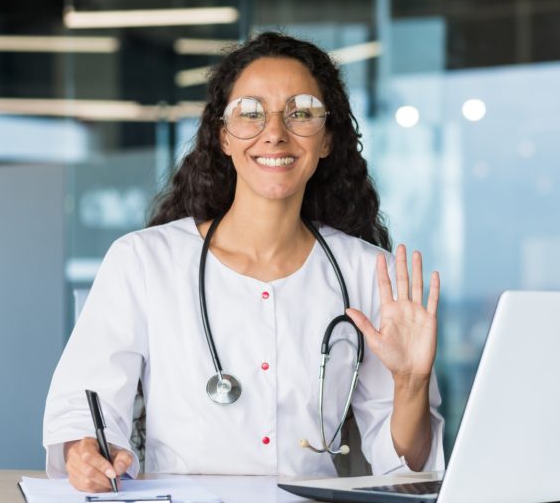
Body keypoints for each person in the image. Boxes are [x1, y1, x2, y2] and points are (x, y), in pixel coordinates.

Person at [43, 31, 445, 493]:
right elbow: (84, 407)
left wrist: (411, 384)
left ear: (328, 139)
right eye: (250, 113)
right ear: (224, 137)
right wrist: (86, 454)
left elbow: (408, 475)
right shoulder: (144, 261)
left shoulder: (370, 275)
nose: (274, 132)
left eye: (302, 113)